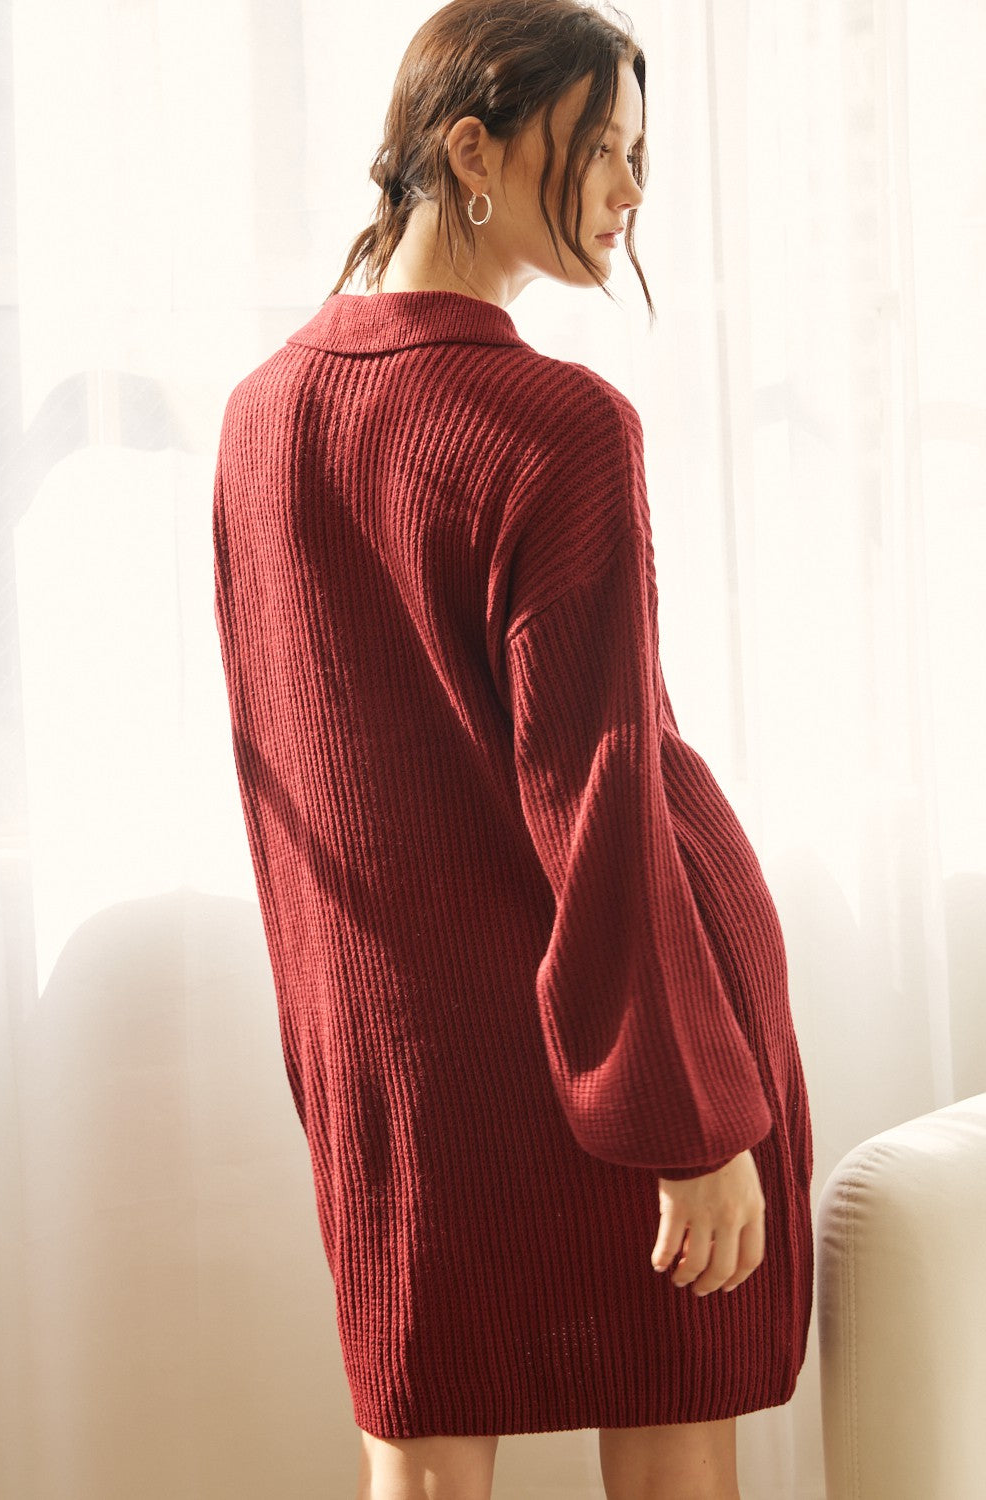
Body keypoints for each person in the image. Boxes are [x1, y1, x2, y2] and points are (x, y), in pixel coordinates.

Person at [212, 2, 814, 1497]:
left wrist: (354, 1061)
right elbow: (601, 792)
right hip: (633, 1043)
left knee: (421, 1468)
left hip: (405, 1064)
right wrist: (688, 1121)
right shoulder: (559, 426)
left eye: (641, 155)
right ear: (473, 153)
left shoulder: (260, 417)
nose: (631, 190)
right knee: (674, 1442)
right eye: (600, 148)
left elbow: (296, 808)